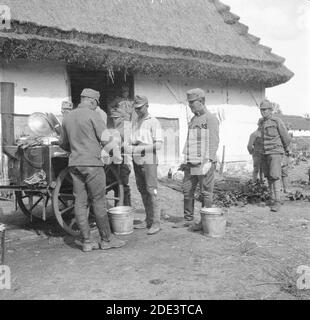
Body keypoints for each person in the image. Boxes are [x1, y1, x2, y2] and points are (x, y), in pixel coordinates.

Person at [59, 88, 126, 252]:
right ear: (92, 101)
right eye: (96, 103)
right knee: (99, 201)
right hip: (93, 165)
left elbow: (63, 144)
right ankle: (106, 240)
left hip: (74, 165)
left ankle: (87, 242)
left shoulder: (67, 118)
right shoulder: (93, 115)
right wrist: (112, 153)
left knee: (80, 203)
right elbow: (105, 139)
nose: (96, 106)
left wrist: (76, 147)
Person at [173, 88, 219, 230]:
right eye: (189, 103)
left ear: (202, 101)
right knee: (187, 190)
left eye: (193, 102)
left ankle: (205, 222)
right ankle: (188, 219)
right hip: (191, 161)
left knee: (206, 192)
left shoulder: (210, 118)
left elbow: (214, 141)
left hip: (204, 162)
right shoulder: (193, 119)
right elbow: (190, 141)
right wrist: (184, 160)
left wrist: (210, 161)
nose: (190, 105)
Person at [127, 95, 163, 235]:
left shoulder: (153, 122)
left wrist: (140, 148)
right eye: (136, 108)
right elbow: (132, 139)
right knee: (142, 189)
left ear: (147, 105)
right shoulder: (135, 121)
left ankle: (156, 222)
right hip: (137, 157)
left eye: (140, 108)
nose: (137, 111)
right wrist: (129, 146)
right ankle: (148, 219)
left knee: (152, 190)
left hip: (148, 157)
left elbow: (158, 145)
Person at [258, 99, 291, 212]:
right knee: (269, 176)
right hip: (265, 152)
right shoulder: (261, 122)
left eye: (265, 110)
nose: (263, 112)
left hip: (275, 152)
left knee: (275, 176)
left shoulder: (277, 121)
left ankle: (277, 201)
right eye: (261, 110)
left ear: (271, 110)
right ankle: (272, 199)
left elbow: (286, 137)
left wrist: (285, 149)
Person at [107, 103, 132, 206]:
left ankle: (125, 211)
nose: (114, 120)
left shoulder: (126, 128)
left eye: (116, 118)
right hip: (115, 160)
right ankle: (118, 209)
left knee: (123, 186)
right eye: (113, 118)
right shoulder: (114, 127)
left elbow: (120, 143)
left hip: (123, 162)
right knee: (117, 186)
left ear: (122, 118)